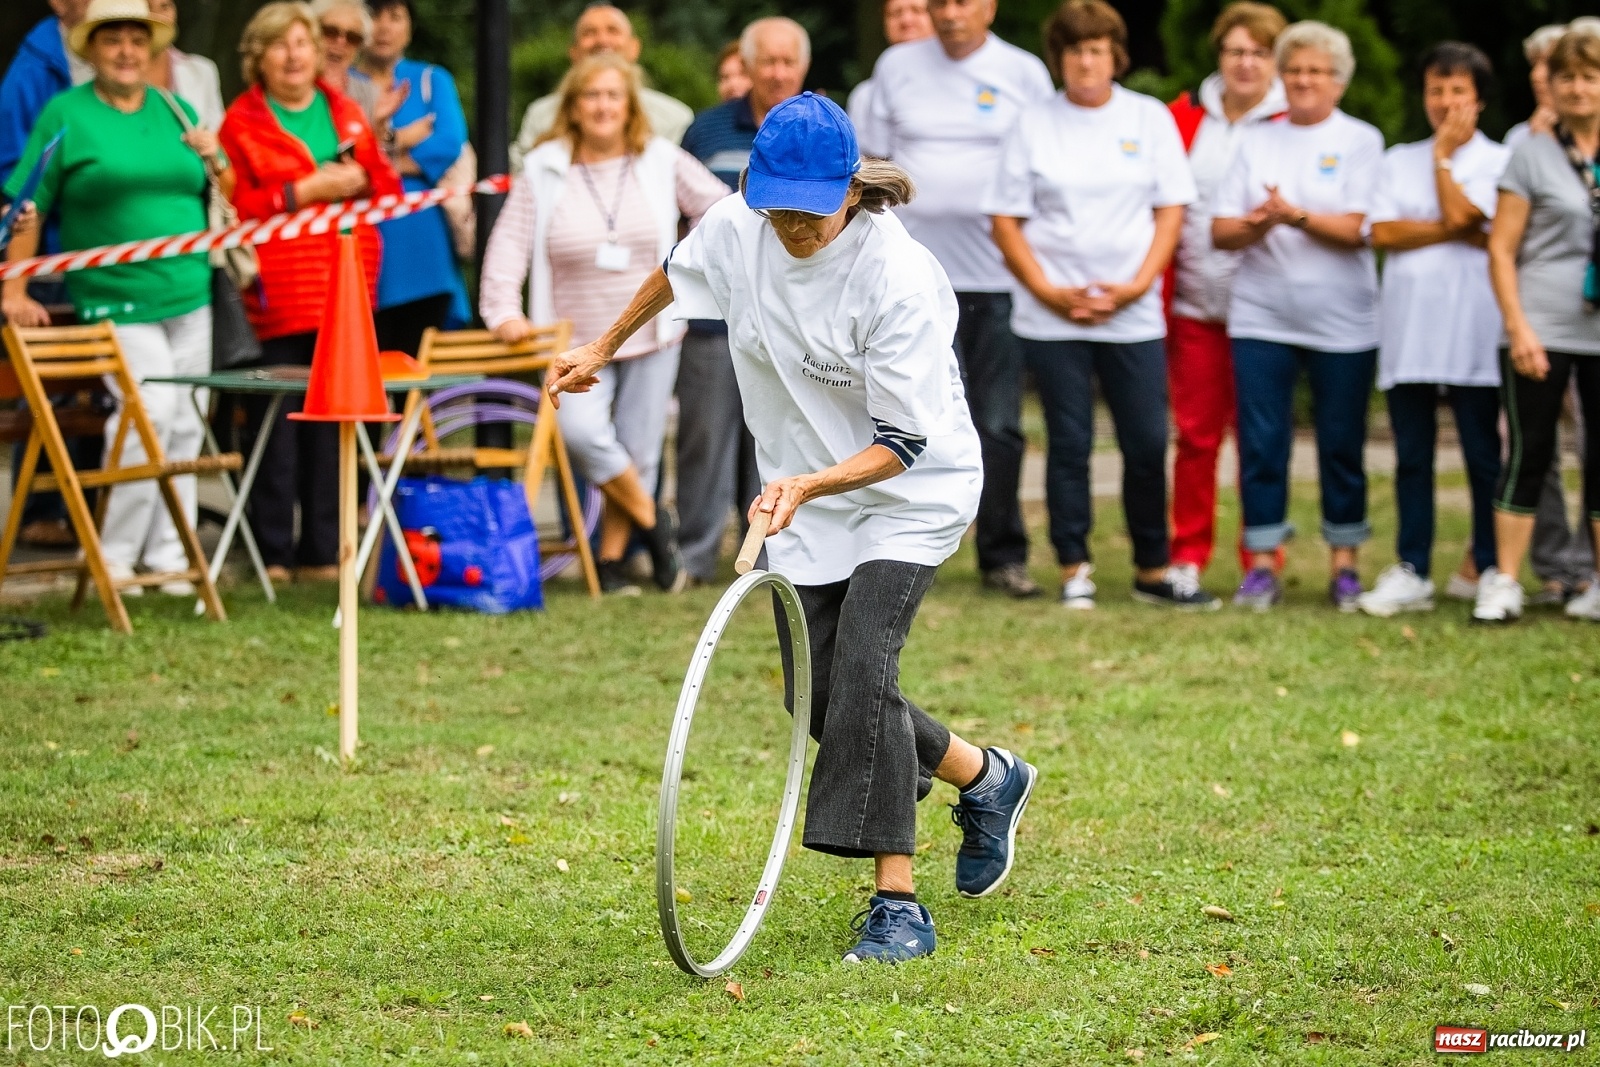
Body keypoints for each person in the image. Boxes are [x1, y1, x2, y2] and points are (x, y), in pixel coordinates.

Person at [548, 93, 1037, 964]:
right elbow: (676, 269)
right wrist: (603, 347)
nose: (790, 226)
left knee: (861, 671)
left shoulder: (898, 278)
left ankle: (897, 906)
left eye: (809, 210)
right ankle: (984, 777)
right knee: (810, 696)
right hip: (804, 492)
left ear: (850, 189)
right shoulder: (743, 223)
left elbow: (903, 440)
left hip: (905, 493)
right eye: (776, 206)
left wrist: (808, 483)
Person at [984, 0, 1211, 611]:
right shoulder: (1033, 123)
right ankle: (1073, 565)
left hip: (1131, 313)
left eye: (1097, 49)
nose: (1086, 61)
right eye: (1075, 50)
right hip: (1052, 314)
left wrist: (1136, 286)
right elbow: (1004, 220)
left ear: (1116, 55)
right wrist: (1048, 290)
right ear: (1059, 58)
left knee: (1143, 441)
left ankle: (1153, 568)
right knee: (1070, 442)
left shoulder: (1149, 119)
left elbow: (1171, 212)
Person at [480, 54, 726, 594]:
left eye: (613, 95)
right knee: (583, 433)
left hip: (650, 330)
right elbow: (507, 248)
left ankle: (611, 564)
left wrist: (690, 260)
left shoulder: (660, 158)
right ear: (572, 106)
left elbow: (720, 209)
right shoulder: (544, 168)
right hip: (573, 338)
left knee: (637, 451)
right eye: (591, 95)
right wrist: (504, 312)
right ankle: (656, 525)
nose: (603, 106)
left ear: (630, 105)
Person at [2, 0, 216, 596]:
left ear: (152, 47)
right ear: (91, 48)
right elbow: (27, 204)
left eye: (136, 38)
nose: (126, 50)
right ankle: (115, 556)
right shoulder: (65, 113)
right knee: (148, 414)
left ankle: (170, 554)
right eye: (112, 39)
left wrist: (214, 158)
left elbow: (215, 187)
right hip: (114, 296)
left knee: (189, 421)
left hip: (190, 288)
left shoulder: (179, 107)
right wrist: (14, 287)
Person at [860, 0, 1055, 599]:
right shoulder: (897, 66)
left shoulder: (1023, 73)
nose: (949, 12)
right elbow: (870, 169)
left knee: (998, 424)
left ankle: (1002, 555)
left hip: (997, 278)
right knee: (911, 420)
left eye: (962, 1)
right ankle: (908, 553)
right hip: (911, 282)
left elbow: (1046, 168)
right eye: (939, 1)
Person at [218, 0, 401, 584]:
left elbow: (390, 187)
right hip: (278, 296)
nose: (294, 55)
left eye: (303, 43)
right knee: (278, 426)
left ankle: (325, 551)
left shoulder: (344, 111)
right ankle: (273, 552)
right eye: (280, 44)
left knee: (336, 423)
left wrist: (363, 178)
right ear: (258, 57)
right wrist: (303, 191)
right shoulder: (240, 122)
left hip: (346, 293)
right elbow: (233, 207)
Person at [1212, 20, 1383, 611]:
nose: (1304, 80)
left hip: (1345, 323)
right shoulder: (1256, 140)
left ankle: (1345, 564)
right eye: (1295, 70)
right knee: (1262, 444)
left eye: (1317, 71)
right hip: (1262, 318)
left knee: (1341, 442)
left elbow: (1361, 228)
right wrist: (1260, 222)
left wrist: (1295, 216)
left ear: (1339, 81)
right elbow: (1220, 230)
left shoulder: (1361, 140)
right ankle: (1261, 564)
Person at [1357, 43, 1508, 618]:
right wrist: (1454, 223)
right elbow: (1384, 233)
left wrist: (1444, 161)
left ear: (1479, 100)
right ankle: (1412, 568)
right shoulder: (1396, 159)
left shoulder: (1499, 161)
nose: (1445, 103)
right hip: (1410, 331)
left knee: (1481, 455)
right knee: (1412, 457)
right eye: (1436, 91)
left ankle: (1491, 566)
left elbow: (1481, 224)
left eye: (1458, 92)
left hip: (1475, 330)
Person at [674, 17, 810, 585]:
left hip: (789, 319)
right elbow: (679, 220)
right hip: (713, 317)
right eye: (767, 62)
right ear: (746, 65)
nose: (777, 72)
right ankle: (695, 557)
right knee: (703, 438)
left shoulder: (817, 131)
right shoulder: (704, 131)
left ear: (802, 68)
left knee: (778, 441)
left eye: (787, 62)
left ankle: (775, 557)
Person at [1476, 30, 1600, 625]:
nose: (1578, 88)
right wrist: (1518, 326)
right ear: (1551, 85)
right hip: (1541, 324)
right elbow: (1501, 250)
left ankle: (1595, 583)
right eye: (1568, 77)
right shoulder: (1530, 152)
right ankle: (1504, 581)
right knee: (1530, 452)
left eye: (1590, 76)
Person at [1164, 2, 1286, 583]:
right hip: (1196, 302)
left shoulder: (1295, 121)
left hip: (1268, 309)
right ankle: (1188, 553)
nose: (1246, 63)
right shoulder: (1185, 120)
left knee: (1261, 438)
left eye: (1259, 53)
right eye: (1236, 51)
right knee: (1195, 436)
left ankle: (1261, 555)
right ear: (1219, 56)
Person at [0, 0, 95, 551]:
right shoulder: (33, 68)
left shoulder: (100, 57)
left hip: (94, 258)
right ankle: (39, 509)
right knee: (45, 390)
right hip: (45, 252)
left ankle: (81, 508)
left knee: (83, 392)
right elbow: (18, 171)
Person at [358, 0, 471, 350]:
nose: (383, 27)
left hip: (424, 244)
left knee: (421, 362)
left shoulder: (431, 79)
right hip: (366, 240)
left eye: (395, 17)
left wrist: (380, 151)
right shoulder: (344, 83)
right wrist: (404, 139)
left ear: (409, 26)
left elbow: (448, 142)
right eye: (374, 15)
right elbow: (345, 149)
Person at [511, 4, 693, 170]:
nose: (602, 40)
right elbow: (519, 174)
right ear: (573, 52)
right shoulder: (541, 115)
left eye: (613, 31)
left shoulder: (675, 117)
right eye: (589, 32)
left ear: (634, 48)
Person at [845, 0, 933, 132]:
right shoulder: (864, 97)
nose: (906, 20)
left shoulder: (960, 82)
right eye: (896, 13)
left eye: (917, 10)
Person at [144, 0, 222, 130]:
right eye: (147, 8)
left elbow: (217, 135)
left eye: (165, 7)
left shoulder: (203, 70)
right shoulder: (104, 74)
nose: (157, 17)